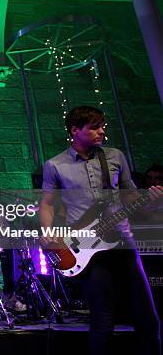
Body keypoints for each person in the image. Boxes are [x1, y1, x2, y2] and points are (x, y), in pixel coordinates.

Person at [39, 105, 162, 355]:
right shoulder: (55, 165)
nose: (101, 131)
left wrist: (148, 199)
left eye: (102, 126)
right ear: (75, 130)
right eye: (94, 127)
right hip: (88, 249)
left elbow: (129, 196)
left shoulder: (115, 156)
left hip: (123, 243)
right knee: (103, 321)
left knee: (148, 320)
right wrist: (47, 231)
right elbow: (47, 204)